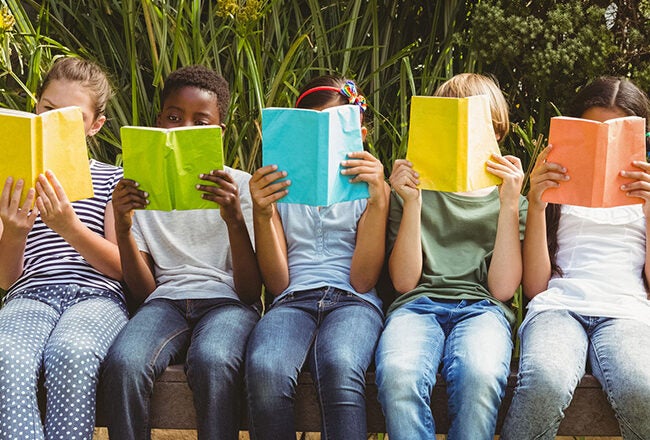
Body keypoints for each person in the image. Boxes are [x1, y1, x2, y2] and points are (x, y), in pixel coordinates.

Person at [100, 65, 261, 440]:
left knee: (214, 360)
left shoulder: (241, 186)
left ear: (218, 133)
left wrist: (234, 218)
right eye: (174, 117)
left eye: (199, 122)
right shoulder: (140, 189)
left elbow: (251, 293)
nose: (184, 128)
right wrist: (123, 227)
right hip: (165, 301)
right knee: (124, 363)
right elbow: (142, 292)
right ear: (159, 123)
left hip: (227, 302)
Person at [374, 73, 527, 440]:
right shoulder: (410, 192)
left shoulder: (510, 200)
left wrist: (508, 205)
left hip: (483, 308)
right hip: (416, 305)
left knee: (480, 373)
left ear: (497, 132)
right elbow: (404, 282)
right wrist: (412, 204)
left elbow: (503, 289)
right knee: (398, 374)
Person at [501, 77, 650, 439]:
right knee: (544, 383)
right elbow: (536, 288)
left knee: (641, 388)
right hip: (558, 307)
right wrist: (536, 202)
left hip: (626, 311)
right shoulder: (555, 186)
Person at [245, 75, 388, 440]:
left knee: (339, 365)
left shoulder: (370, 190)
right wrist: (263, 213)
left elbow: (363, 280)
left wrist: (379, 200)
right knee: (266, 369)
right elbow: (277, 284)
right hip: (292, 300)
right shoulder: (278, 189)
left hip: (354, 300)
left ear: (360, 134)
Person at [0, 57, 127, 440]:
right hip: (30, 294)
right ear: (35, 108)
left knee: (70, 354)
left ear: (94, 126)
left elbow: (121, 267)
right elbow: (7, 279)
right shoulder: (11, 179)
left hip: (97, 297)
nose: (54, 119)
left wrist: (69, 228)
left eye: (71, 117)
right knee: (6, 355)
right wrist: (14, 231)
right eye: (47, 109)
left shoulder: (113, 178)